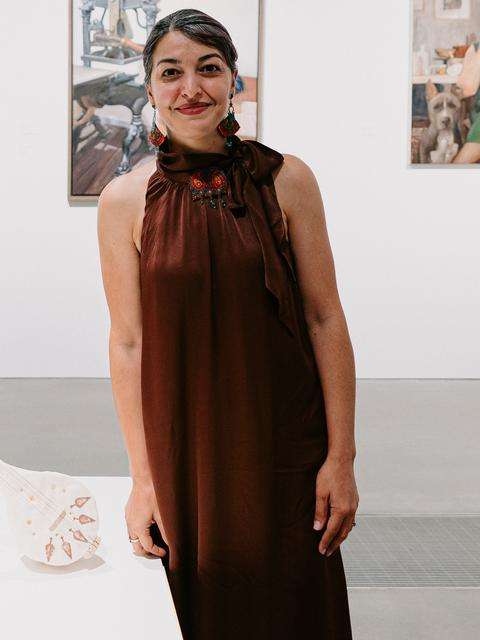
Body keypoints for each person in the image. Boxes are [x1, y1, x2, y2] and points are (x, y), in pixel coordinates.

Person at [97, 9, 357, 639]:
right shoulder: (124, 201)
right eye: (171, 72)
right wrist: (141, 480)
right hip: (183, 447)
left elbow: (326, 319)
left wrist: (342, 459)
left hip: (285, 444)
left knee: (292, 604)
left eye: (208, 69)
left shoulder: (287, 181)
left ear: (233, 81)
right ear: (151, 89)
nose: (191, 88)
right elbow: (128, 344)